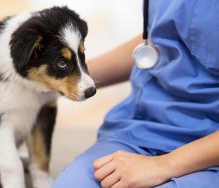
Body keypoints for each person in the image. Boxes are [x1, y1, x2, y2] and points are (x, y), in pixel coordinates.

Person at [52, 1, 219, 187]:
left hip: (209, 149)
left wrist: (164, 165)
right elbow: (162, 38)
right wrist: (66, 78)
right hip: (141, 129)